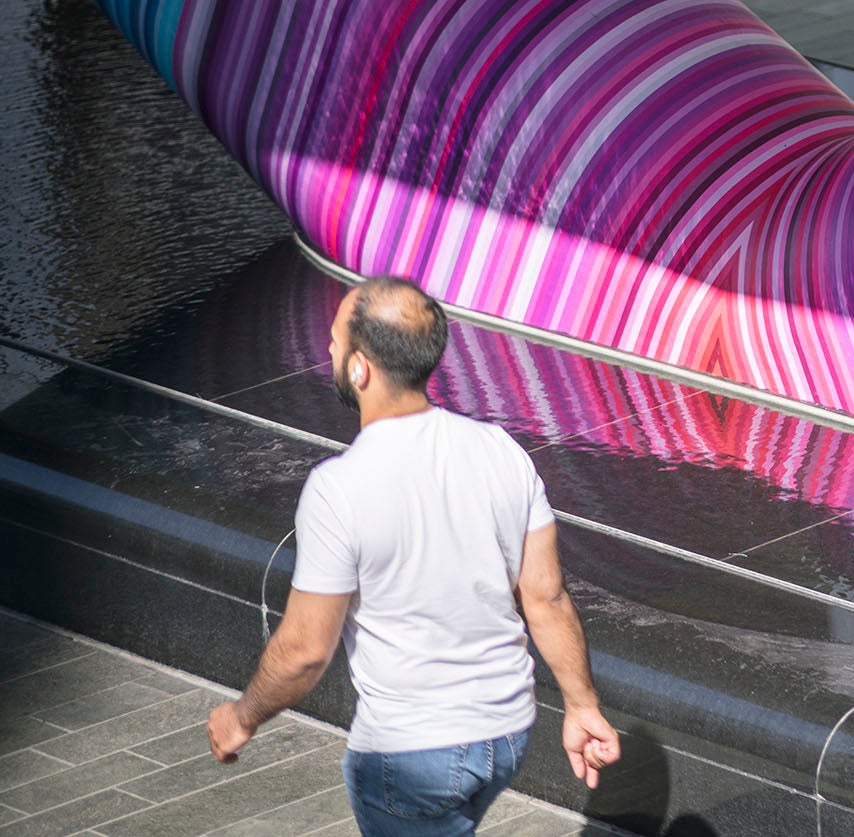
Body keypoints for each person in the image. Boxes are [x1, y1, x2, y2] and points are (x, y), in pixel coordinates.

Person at [206, 277, 621, 835]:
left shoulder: (338, 488)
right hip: (508, 733)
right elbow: (544, 597)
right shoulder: (501, 449)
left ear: (360, 368)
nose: (327, 350)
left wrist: (241, 716)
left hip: (412, 755)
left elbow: (306, 649)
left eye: (334, 341)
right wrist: (582, 706)